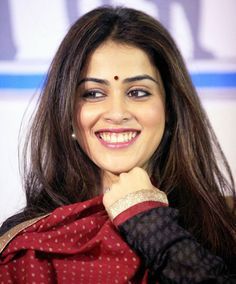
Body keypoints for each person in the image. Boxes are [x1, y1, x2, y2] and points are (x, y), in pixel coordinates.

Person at [0, 6, 235, 283]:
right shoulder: (28, 246)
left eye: (137, 92)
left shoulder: (225, 225)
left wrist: (149, 221)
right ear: (68, 113)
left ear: (170, 108)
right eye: (94, 93)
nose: (117, 112)